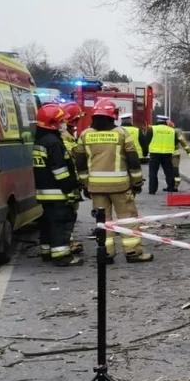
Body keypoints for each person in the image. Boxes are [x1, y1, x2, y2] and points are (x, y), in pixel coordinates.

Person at [73, 99, 152, 263]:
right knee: (127, 218)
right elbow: (133, 160)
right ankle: (133, 252)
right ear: (113, 116)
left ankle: (106, 254)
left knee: (103, 221)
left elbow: (80, 162)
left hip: (96, 187)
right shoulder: (121, 134)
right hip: (121, 187)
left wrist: (84, 184)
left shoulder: (85, 135)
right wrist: (137, 183)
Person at [33, 104, 83, 266]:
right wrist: (69, 190)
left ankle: (47, 251)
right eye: (62, 121)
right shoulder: (54, 143)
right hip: (58, 191)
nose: (64, 124)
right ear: (53, 123)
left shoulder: (40, 141)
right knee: (60, 223)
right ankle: (61, 256)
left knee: (47, 222)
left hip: (44, 191)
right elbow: (60, 171)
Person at [60, 102, 85, 255]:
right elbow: (72, 158)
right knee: (68, 214)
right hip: (67, 182)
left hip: (67, 181)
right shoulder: (65, 137)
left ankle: (65, 241)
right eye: (76, 120)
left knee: (68, 213)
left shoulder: (66, 135)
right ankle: (66, 242)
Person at [147, 115, 180, 194]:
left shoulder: (152, 129)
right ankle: (171, 187)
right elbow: (176, 142)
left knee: (153, 173)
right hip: (167, 154)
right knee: (169, 172)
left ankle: (152, 190)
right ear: (166, 121)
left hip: (154, 153)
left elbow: (147, 140)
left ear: (157, 120)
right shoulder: (172, 130)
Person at [165, 119, 190, 188]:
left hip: (174, 155)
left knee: (175, 170)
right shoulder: (165, 133)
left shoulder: (176, 133)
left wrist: (189, 152)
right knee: (169, 171)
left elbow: (183, 143)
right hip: (167, 155)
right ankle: (170, 185)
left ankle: (176, 184)